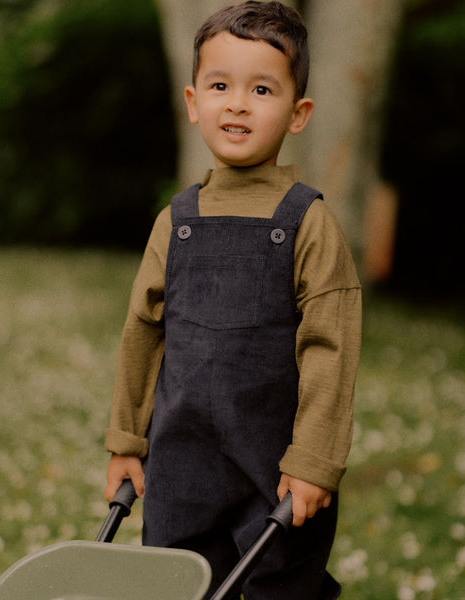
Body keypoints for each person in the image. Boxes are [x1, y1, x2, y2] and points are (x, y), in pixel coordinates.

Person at [104, 2, 361, 598]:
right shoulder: (177, 220)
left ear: (298, 114)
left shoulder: (308, 223)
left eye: (262, 89)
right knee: (178, 584)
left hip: (275, 474)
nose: (238, 102)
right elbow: (143, 330)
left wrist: (315, 461)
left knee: (279, 587)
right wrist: (126, 442)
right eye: (220, 85)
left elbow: (331, 346)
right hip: (181, 468)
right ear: (194, 102)